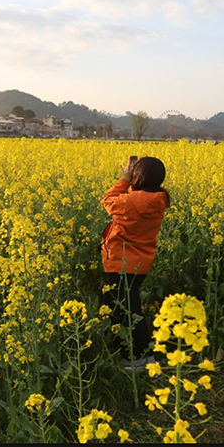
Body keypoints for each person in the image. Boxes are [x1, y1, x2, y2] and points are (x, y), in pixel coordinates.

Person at [99, 156, 170, 372]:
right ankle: (128, 350)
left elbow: (107, 199)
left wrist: (124, 180)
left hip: (120, 263)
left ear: (137, 176)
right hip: (140, 264)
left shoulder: (128, 201)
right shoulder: (159, 200)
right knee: (125, 307)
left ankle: (141, 358)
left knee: (128, 311)